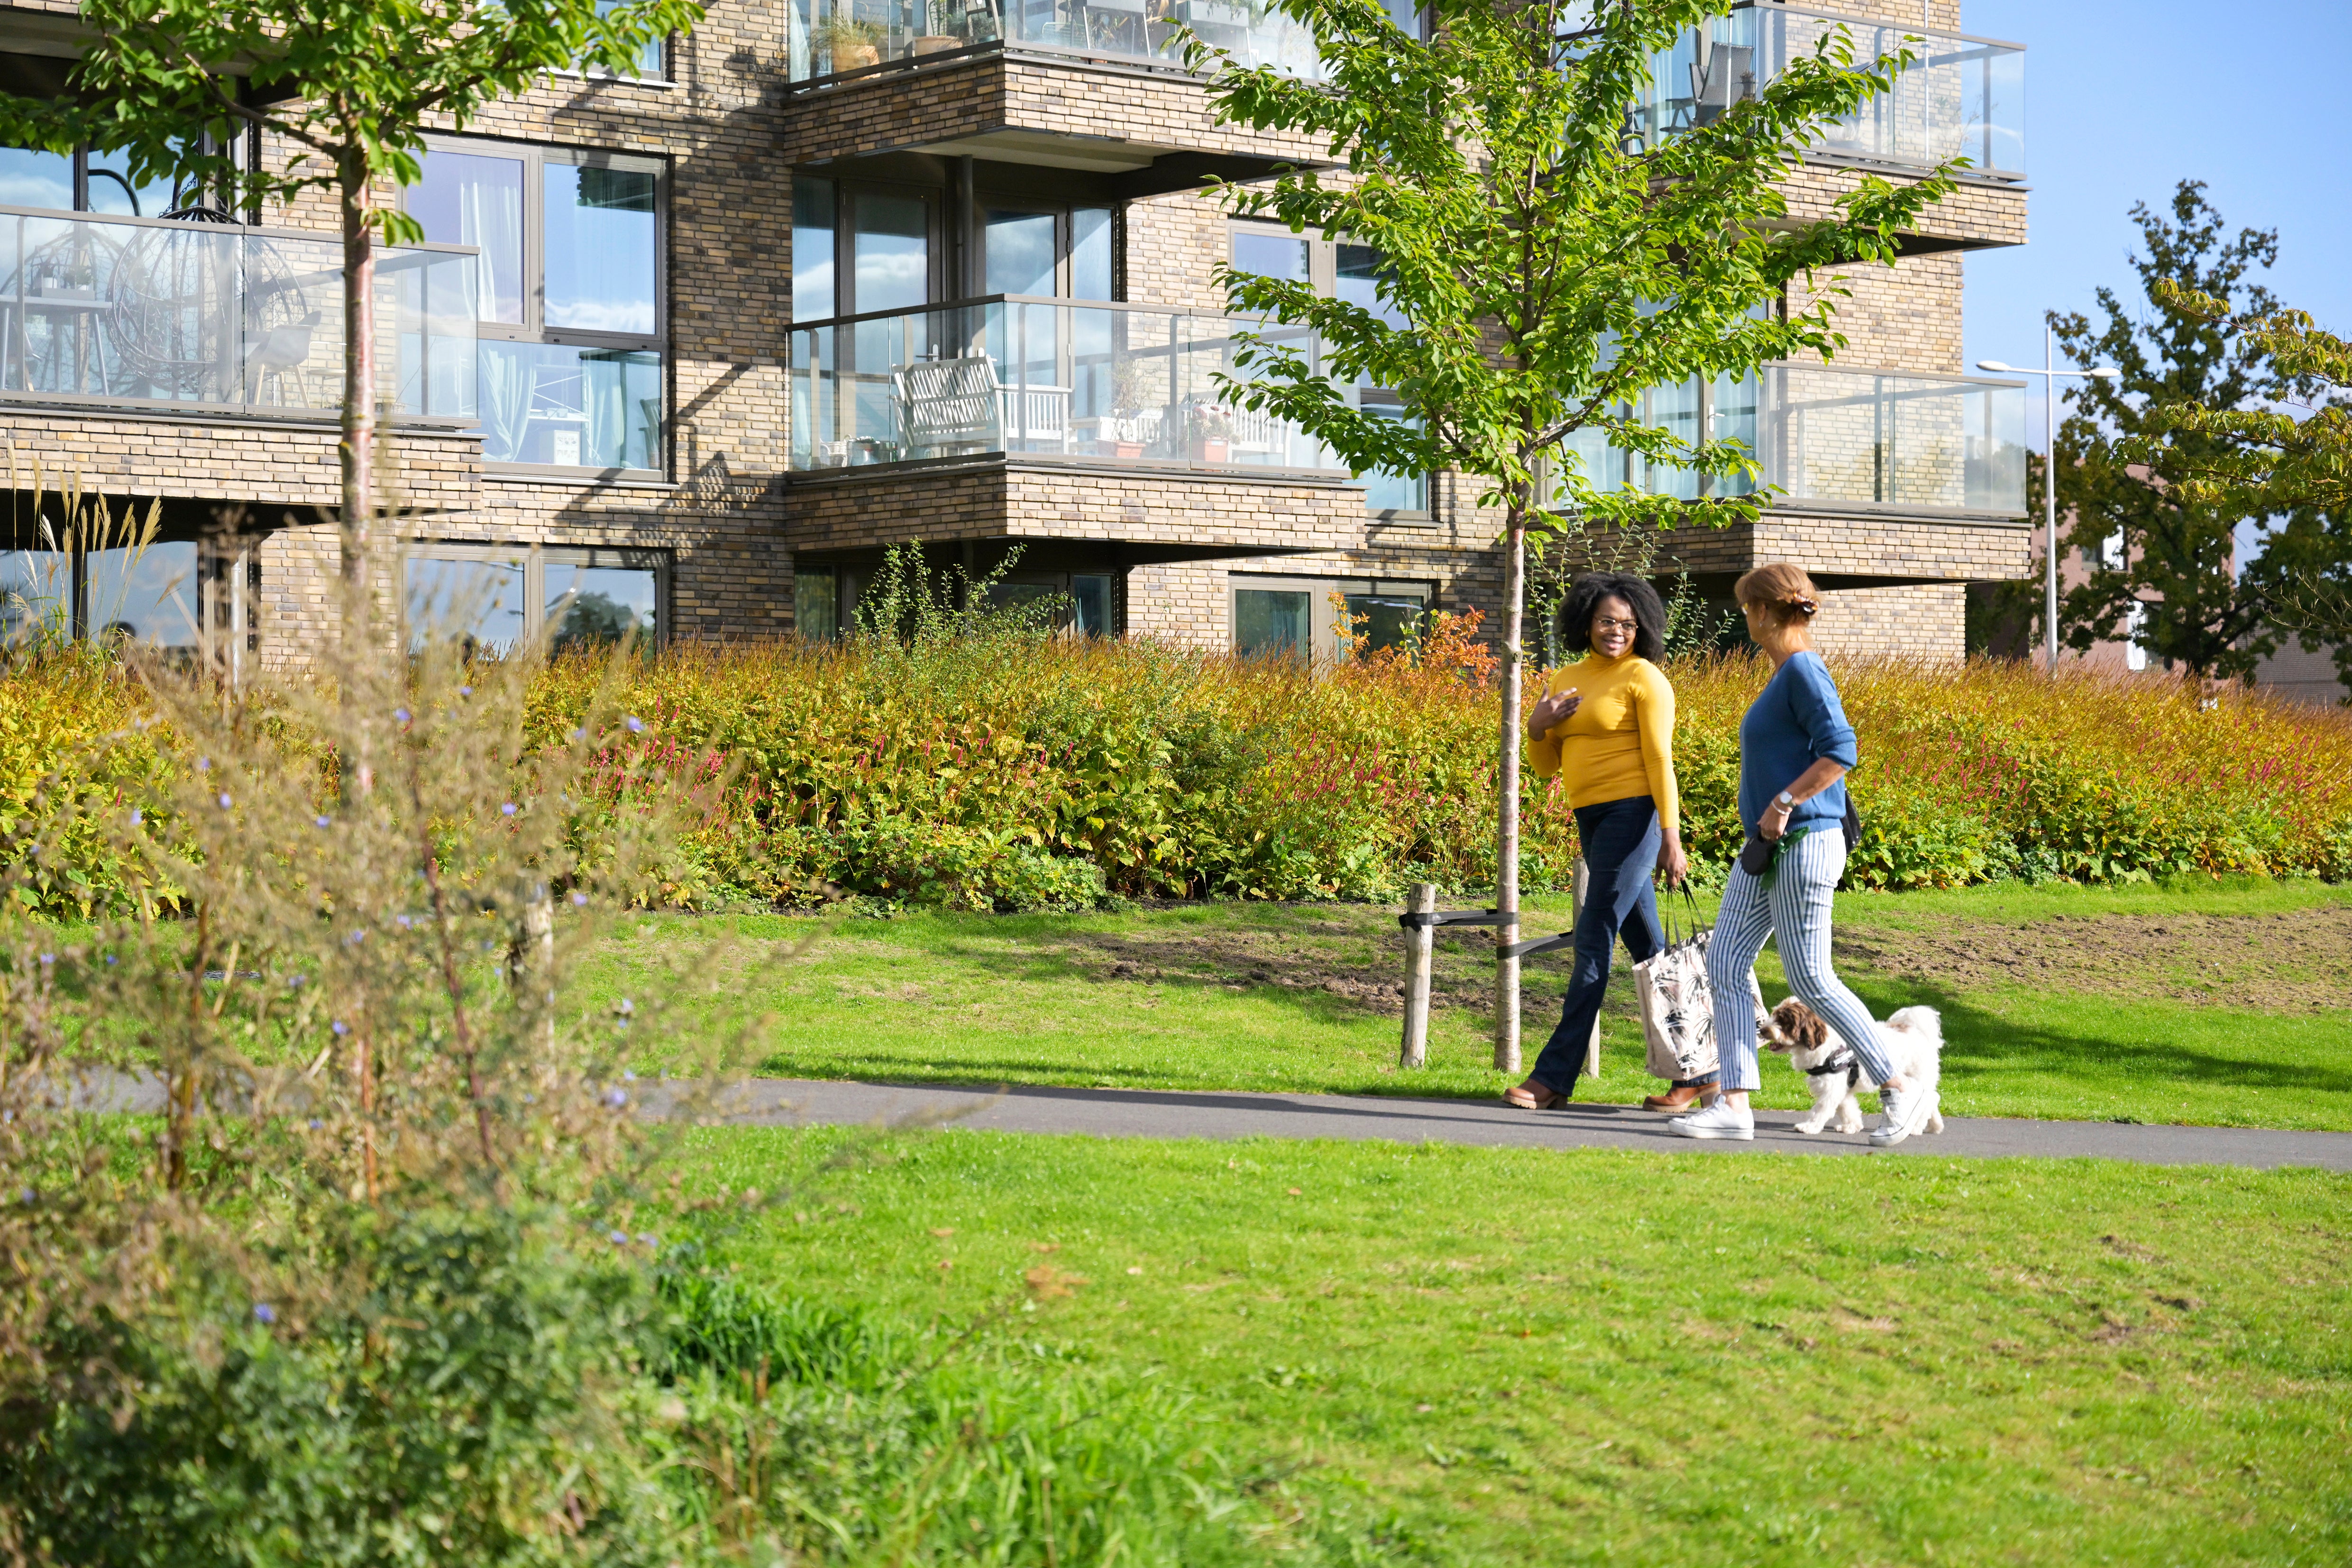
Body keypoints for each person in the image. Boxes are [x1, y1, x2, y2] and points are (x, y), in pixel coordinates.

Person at [1670, 563, 1934, 1146]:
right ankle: (1733, 1105)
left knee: (1811, 976)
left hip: (1805, 841)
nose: (1744, 619)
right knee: (1724, 963)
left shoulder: (1803, 669)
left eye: (1745, 609)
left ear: (1765, 612)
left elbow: (1840, 750)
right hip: (1766, 847)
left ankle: (1897, 1087)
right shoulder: (1784, 674)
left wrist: (1784, 801)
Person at [1504, 572, 1694, 1111]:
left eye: (1628, 624)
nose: (1617, 631)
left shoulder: (1644, 677)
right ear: (1586, 620)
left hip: (1633, 817)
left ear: (1643, 629)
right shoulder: (1566, 677)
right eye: (1608, 620)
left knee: (1593, 940)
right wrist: (1537, 724)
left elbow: (1661, 759)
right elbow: (1544, 766)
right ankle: (1697, 1069)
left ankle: (1552, 1077)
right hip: (1590, 817)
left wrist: (1670, 835)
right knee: (1649, 950)